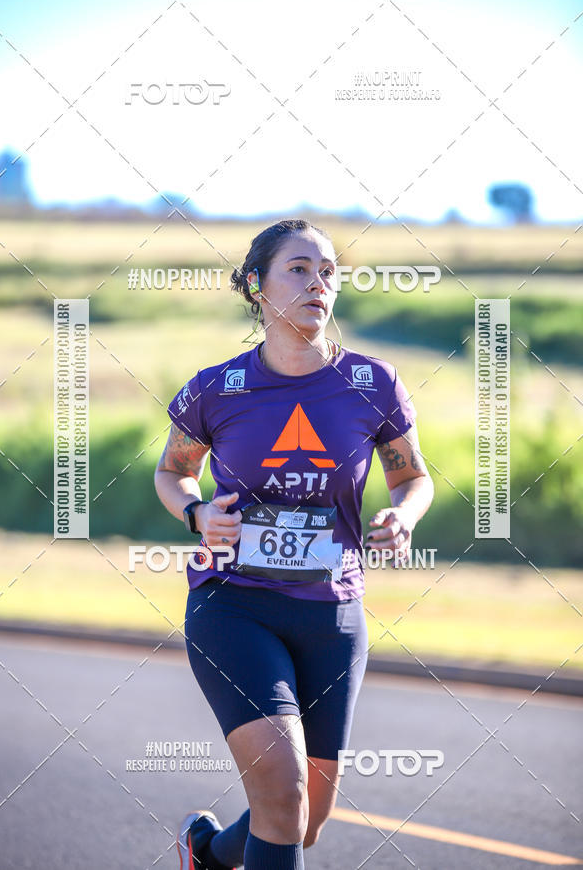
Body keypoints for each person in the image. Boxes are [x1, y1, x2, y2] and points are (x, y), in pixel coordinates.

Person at [154, 218, 434, 870]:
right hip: (233, 604)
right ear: (257, 285)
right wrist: (197, 512)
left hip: (333, 613)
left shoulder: (373, 383)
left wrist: (404, 516)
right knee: (283, 794)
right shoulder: (216, 387)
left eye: (328, 272)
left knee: (302, 821)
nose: (318, 284)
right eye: (299, 270)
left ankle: (206, 851)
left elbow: (413, 478)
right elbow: (172, 471)